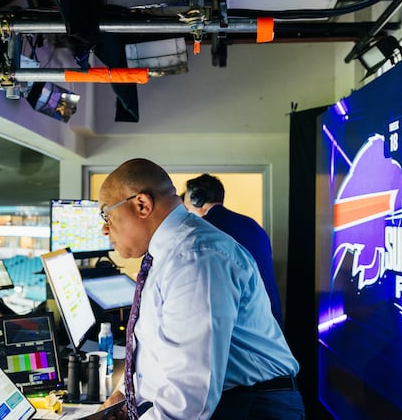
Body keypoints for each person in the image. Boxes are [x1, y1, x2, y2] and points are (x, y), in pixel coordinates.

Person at [97, 158, 304, 420]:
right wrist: (126, 395)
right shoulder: (170, 254)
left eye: (107, 215)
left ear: (142, 205)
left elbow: (190, 398)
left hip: (253, 407)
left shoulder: (195, 258)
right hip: (233, 400)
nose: (105, 229)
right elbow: (160, 349)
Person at [182, 174, 284, 327]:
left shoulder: (202, 230)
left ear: (197, 199)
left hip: (241, 323)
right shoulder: (252, 225)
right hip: (269, 319)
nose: (187, 211)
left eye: (187, 205)